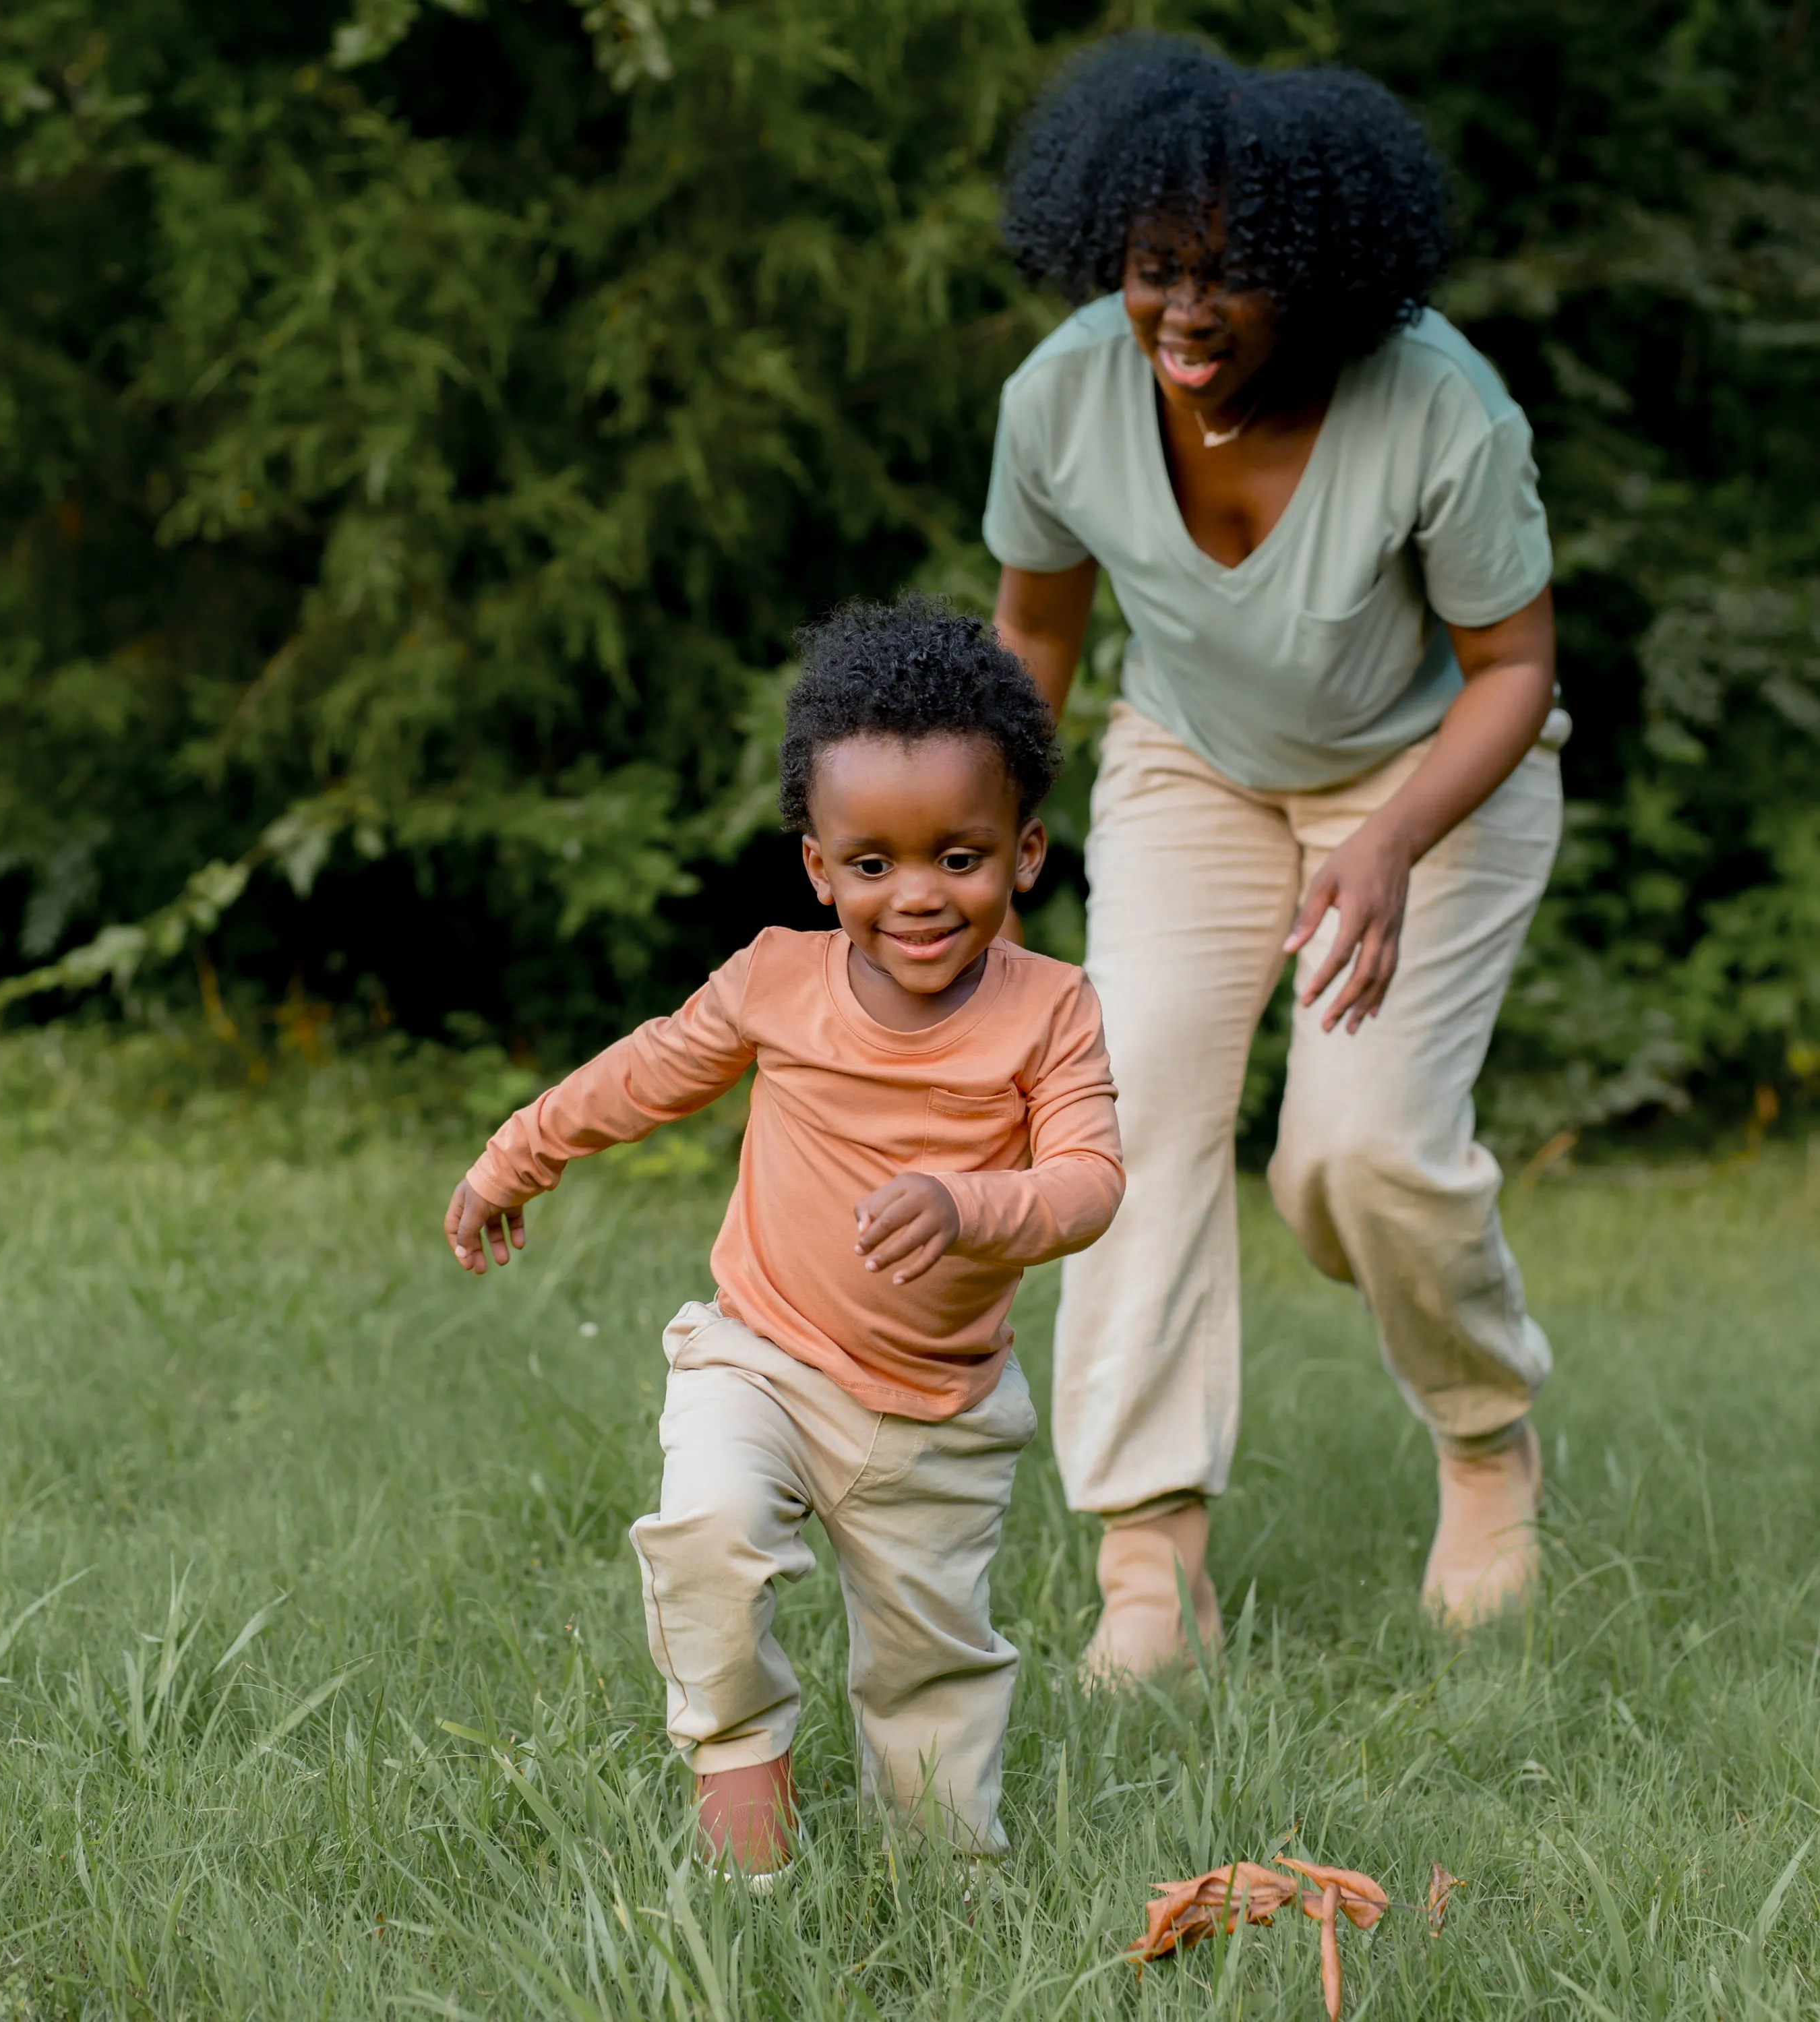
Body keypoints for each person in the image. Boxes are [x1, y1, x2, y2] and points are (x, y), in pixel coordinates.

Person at [984, 38, 1568, 1680]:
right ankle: (1149, 1565)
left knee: (1358, 1160)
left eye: (1231, 277)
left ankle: (1483, 1439)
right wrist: (996, 831)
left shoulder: (1437, 404)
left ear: (1318, 276)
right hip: (1194, 772)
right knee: (1132, 1113)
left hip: (1427, 781)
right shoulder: (1066, 392)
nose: (1181, 311)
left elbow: (1515, 671)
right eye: (1155, 267)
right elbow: (1035, 627)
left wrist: (1386, 841)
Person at [446, 598, 1124, 1880]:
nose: (917, 896)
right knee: (705, 1535)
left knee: (929, 1672)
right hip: (759, 1357)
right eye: (874, 865)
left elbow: (1090, 1182)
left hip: (938, 1413)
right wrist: (511, 1156)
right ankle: (741, 1787)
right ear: (821, 870)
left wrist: (968, 1201)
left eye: (960, 858)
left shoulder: (1053, 1011)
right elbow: (639, 1076)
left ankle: (946, 1890)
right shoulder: (775, 981)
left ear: (1026, 854)